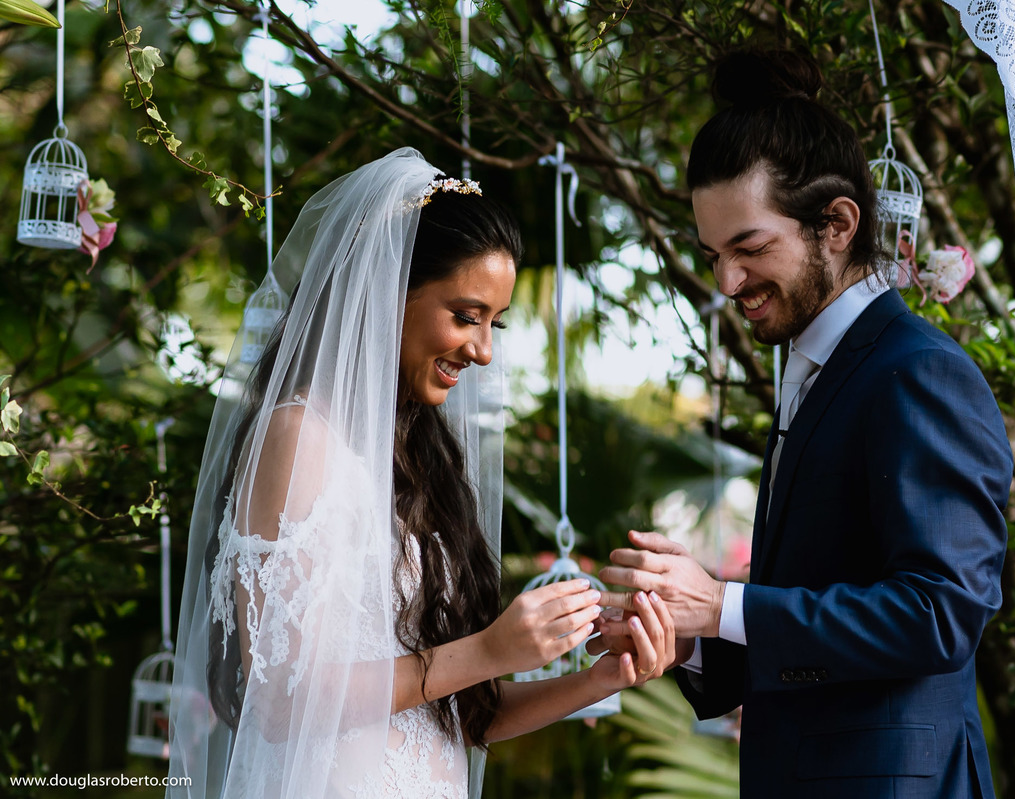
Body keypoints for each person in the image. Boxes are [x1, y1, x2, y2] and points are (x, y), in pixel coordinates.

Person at [167, 148, 673, 799]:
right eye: (466, 316)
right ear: (385, 291)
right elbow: (282, 695)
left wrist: (599, 678)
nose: (484, 350)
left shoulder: (417, 461)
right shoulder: (298, 438)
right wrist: (490, 650)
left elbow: (452, 715)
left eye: (494, 322)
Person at [595, 51, 1011, 798]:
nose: (727, 282)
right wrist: (685, 629)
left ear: (838, 224)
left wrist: (723, 602)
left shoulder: (917, 370)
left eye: (750, 248)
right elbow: (811, 616)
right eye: (714, 255)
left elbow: (941, 613)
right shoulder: (810, 372)